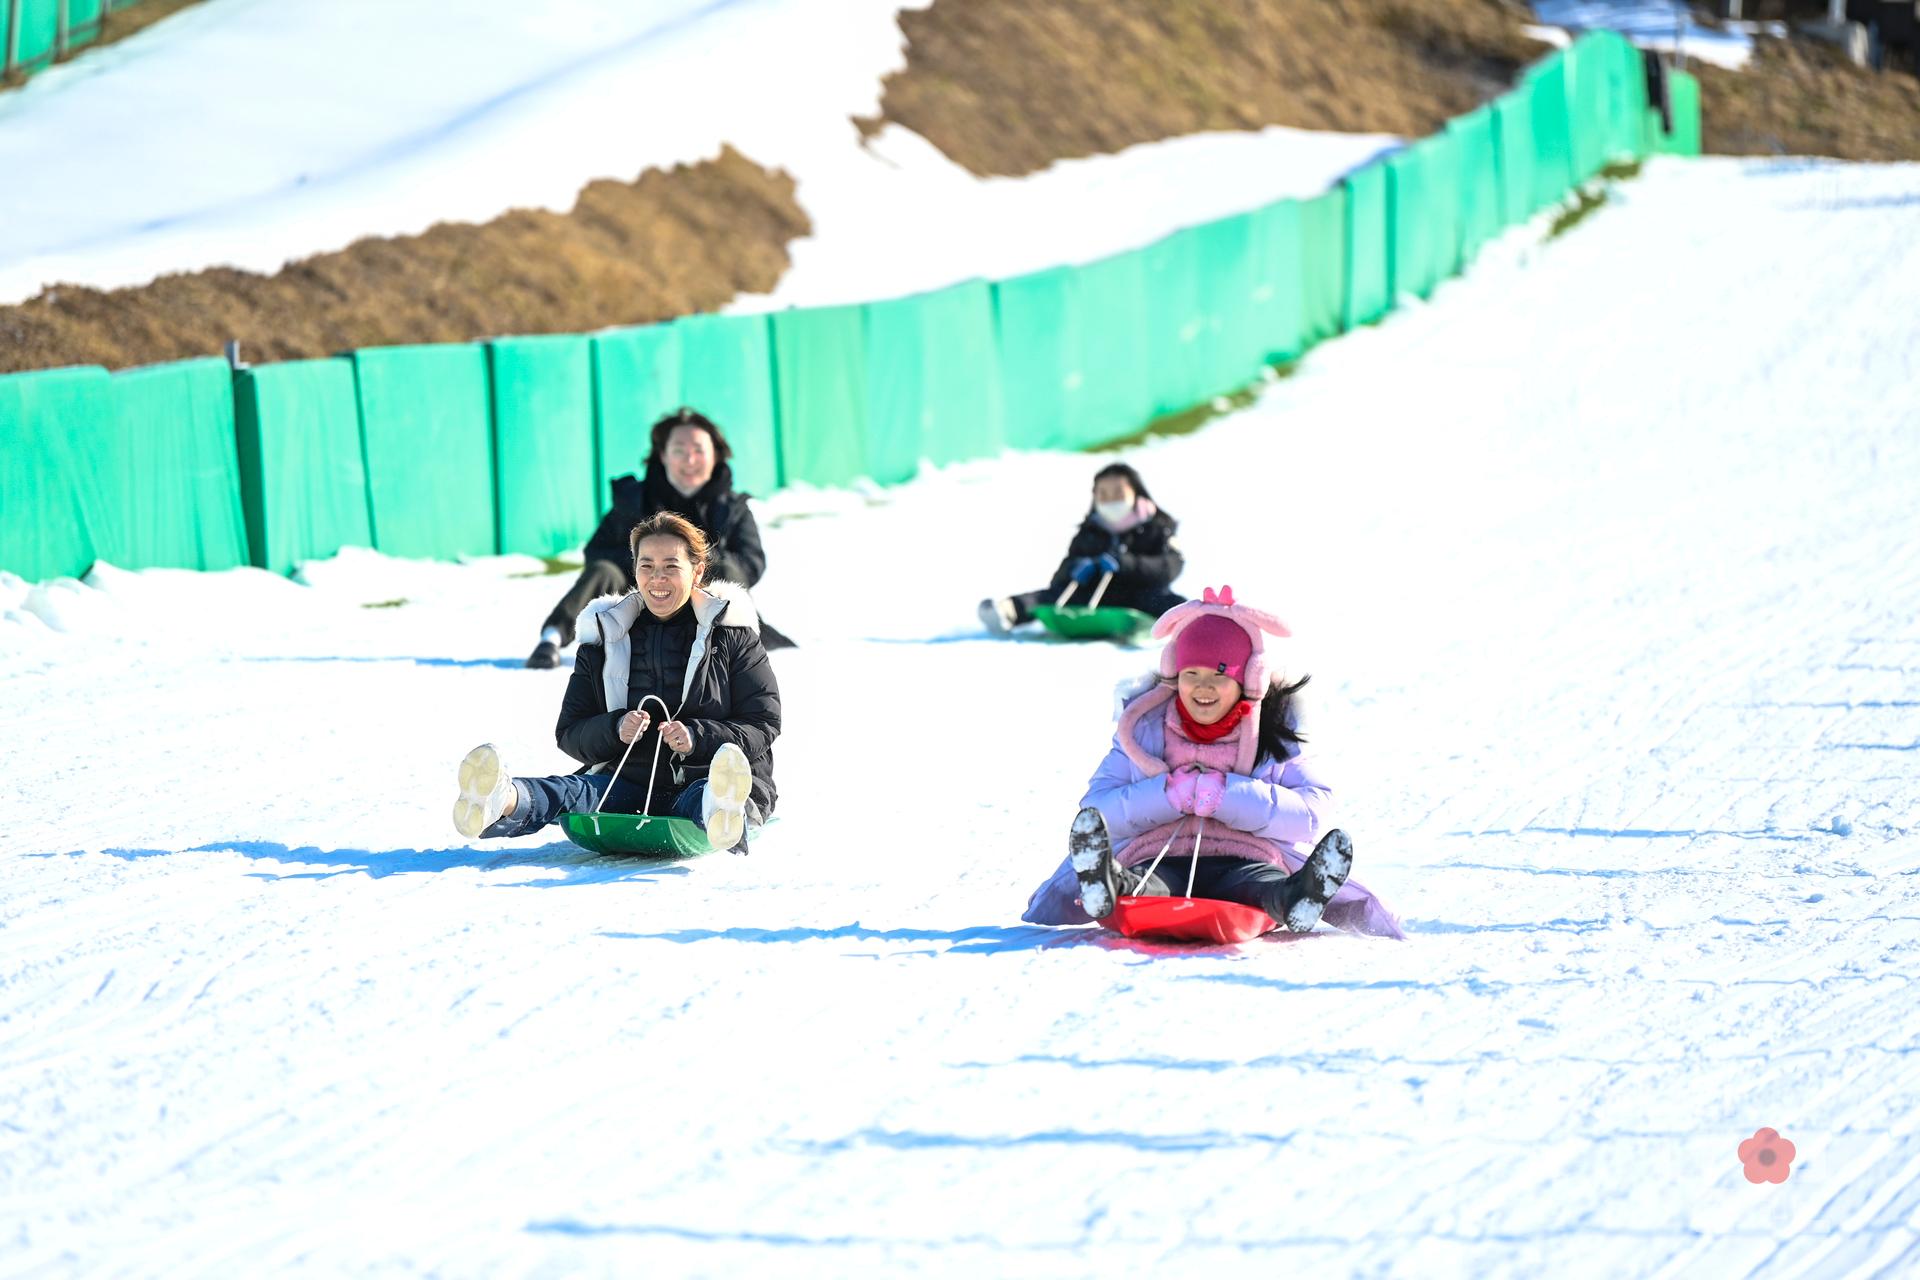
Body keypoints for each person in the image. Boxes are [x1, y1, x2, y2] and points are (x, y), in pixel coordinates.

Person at [1023, 586, 1402, 937]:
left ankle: (1294, 898)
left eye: (1219, 675)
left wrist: (1227, 796)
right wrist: (1167, 796)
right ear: (1175, 675)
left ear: (1248, 681)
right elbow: (1097, 810)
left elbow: (1311, 812)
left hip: (1245, 856)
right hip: (1159, 855)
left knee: (1258, 884)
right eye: (1192, 674)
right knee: (1145, 884)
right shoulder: (1144, 730)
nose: (1203, 687)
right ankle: (1109, 886)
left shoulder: (1275, 736)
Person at [458, 512, 780, 851]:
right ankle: (503, 799)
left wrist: (696, 737)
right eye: (647, 566)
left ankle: (724, 811)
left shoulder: (732, 635)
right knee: (575, 790)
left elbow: (763, 722)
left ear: (697, 571)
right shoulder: (606, 636)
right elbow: (570, 732)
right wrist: (615, 728)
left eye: (671, 566)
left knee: (705, 796)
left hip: (703, 777)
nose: (658, 578)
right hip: (628, 781)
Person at [527, 406, 791, 667]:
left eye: (699, 450)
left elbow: (752, 563)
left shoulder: (733, 508)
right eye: (679, 451)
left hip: (704, 610)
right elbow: (597, 551)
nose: (689, 460)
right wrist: (649, 565)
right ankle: (551, 638)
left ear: (715, 456)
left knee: (725, 569)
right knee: (603, 570)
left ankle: (737, 650)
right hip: (640, 601)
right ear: (663, 455)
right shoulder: (634, 499)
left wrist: (695, 566)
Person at [978, 462, 1186, 634]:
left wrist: (1126, 564)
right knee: (1050, 596)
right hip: (1093, 599)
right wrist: (1075, 568)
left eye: (1118, 493)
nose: (1110, 499)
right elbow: (1059, 577)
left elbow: (1170, 567)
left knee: (1168, 603)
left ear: (1136, 493)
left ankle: (1192, 623)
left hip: (1139, 596)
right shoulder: (1090, 532)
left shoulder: (1156, 528)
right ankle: (1007, 611)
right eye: (1103, 494)